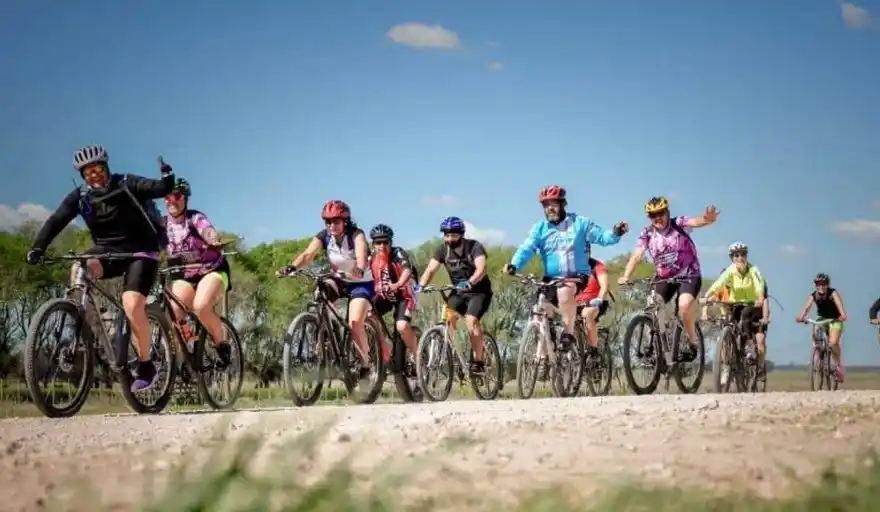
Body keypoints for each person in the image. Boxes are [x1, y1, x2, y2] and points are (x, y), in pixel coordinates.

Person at [25, 145, 175, 391]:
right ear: (83, 175)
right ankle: (81, 320)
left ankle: (146, 364)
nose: (94, 175)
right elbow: (56, 220)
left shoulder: (126, 183)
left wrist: (167, 178)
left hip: (141, 251)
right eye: (88, 172)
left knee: (131, 304)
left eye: (98, 169)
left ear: (106, 167)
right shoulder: (81, 196)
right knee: (79, 265)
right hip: (108, 251)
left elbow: (159, 189)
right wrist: (38, 247)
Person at [502, 185, 628, 355]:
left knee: (564, 292)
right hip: (551, 278)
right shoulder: (540, 228)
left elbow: (601, 237)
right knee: (539, 309)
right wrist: (514, 264)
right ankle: (543, 355)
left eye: (553, 204)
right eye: (546, 205)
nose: (550, 208)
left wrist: (615, 233)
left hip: (575, 276)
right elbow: (526, 248)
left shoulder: (580, 223)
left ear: (562, 204)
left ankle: (568, 333)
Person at [276, 200, 375, 387]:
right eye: (328, 222)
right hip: (339, 279)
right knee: (320, 292)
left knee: (355, 323)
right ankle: (324, 335)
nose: (331, 226)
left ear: (345, 221)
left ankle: (365, 366)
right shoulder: (325, 236)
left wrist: (360, 268)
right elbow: (308, 255)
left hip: (361, 282)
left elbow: (361, 256)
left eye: (336, 221)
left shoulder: (356, 235)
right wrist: (291, 267)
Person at [618, 196, 719, 361]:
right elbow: (636, 256)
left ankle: (693, 342)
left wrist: (707, 220)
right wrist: (626, 276)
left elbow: (694, 222)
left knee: (684, 306)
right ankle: (658, 347)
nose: (657, 218)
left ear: (667, 212)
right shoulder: (647, 233)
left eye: (661, 213)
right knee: (652, 306)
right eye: (653, 215)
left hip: (688, 275)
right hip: (664, 277)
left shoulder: (677, 223)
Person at [163, 178, 232, 366]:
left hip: (212, 271)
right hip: (185, 277)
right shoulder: (162, 225)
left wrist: (213, 238)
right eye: (167, 197)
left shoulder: (195, 218)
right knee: (174, 311)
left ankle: (221, 343)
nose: (171, 200)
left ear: (185, 198)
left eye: (177, 196)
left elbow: (207, 230)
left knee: (201, 306)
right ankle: (187, 353)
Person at [417, 216, 492, 375]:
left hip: (479, 292)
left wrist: (470, 282)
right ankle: (449, 353)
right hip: (458, 291)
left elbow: (481, 269)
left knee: (471, 321)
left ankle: (479, 362)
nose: (450, 239)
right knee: (447, 318)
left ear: (461, 234)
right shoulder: (442, 250)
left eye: (454, 235)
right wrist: (421, 285)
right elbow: (430, 270)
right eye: (447, 235)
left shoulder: (474, 247)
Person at [702, 242, 768, 372]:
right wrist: (707, 295)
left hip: (752, 305)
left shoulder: (753, 270)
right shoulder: (730, 270)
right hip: (736, 305)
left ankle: (749, 345)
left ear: (746, 256)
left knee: (745, 315)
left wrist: (760, 297)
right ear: (732, 258)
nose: (740, 258)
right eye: (736, 255)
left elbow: (758, 284)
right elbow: (719, 283)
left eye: (743, 254)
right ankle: (732, 356)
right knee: (731, 322)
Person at [367, 224, 419, 373]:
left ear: (391, 242)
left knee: (401, 326)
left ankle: (417, 355)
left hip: (404, 296)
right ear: (373, 244)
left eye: (385, 242)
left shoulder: (398, 253)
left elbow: (407, 270)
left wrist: (398, 284)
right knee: (368, 317)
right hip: (385, 296)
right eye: (378, 242)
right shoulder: (371, 258)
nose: (382, 246)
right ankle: (382, 353)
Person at [795, 273, 848, 382]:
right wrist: (801, 316)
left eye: (824, 284)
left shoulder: (833, 293)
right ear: (815, 285)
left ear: (827, 284)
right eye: (818, 284)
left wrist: (842, 315)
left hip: (835, 318)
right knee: (815, 330)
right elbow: (807, 307)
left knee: (833, 343)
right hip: (822, 318)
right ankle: (817, 352)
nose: (821, 286)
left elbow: (839, 305)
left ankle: (838, 365)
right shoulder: (813, 295)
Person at [575, 257, 611, 360]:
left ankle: (593, 350)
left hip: (595, 302)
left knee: (586, 314)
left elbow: (604, 287)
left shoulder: (597, 266)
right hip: (576, 304)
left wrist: (599, 299)